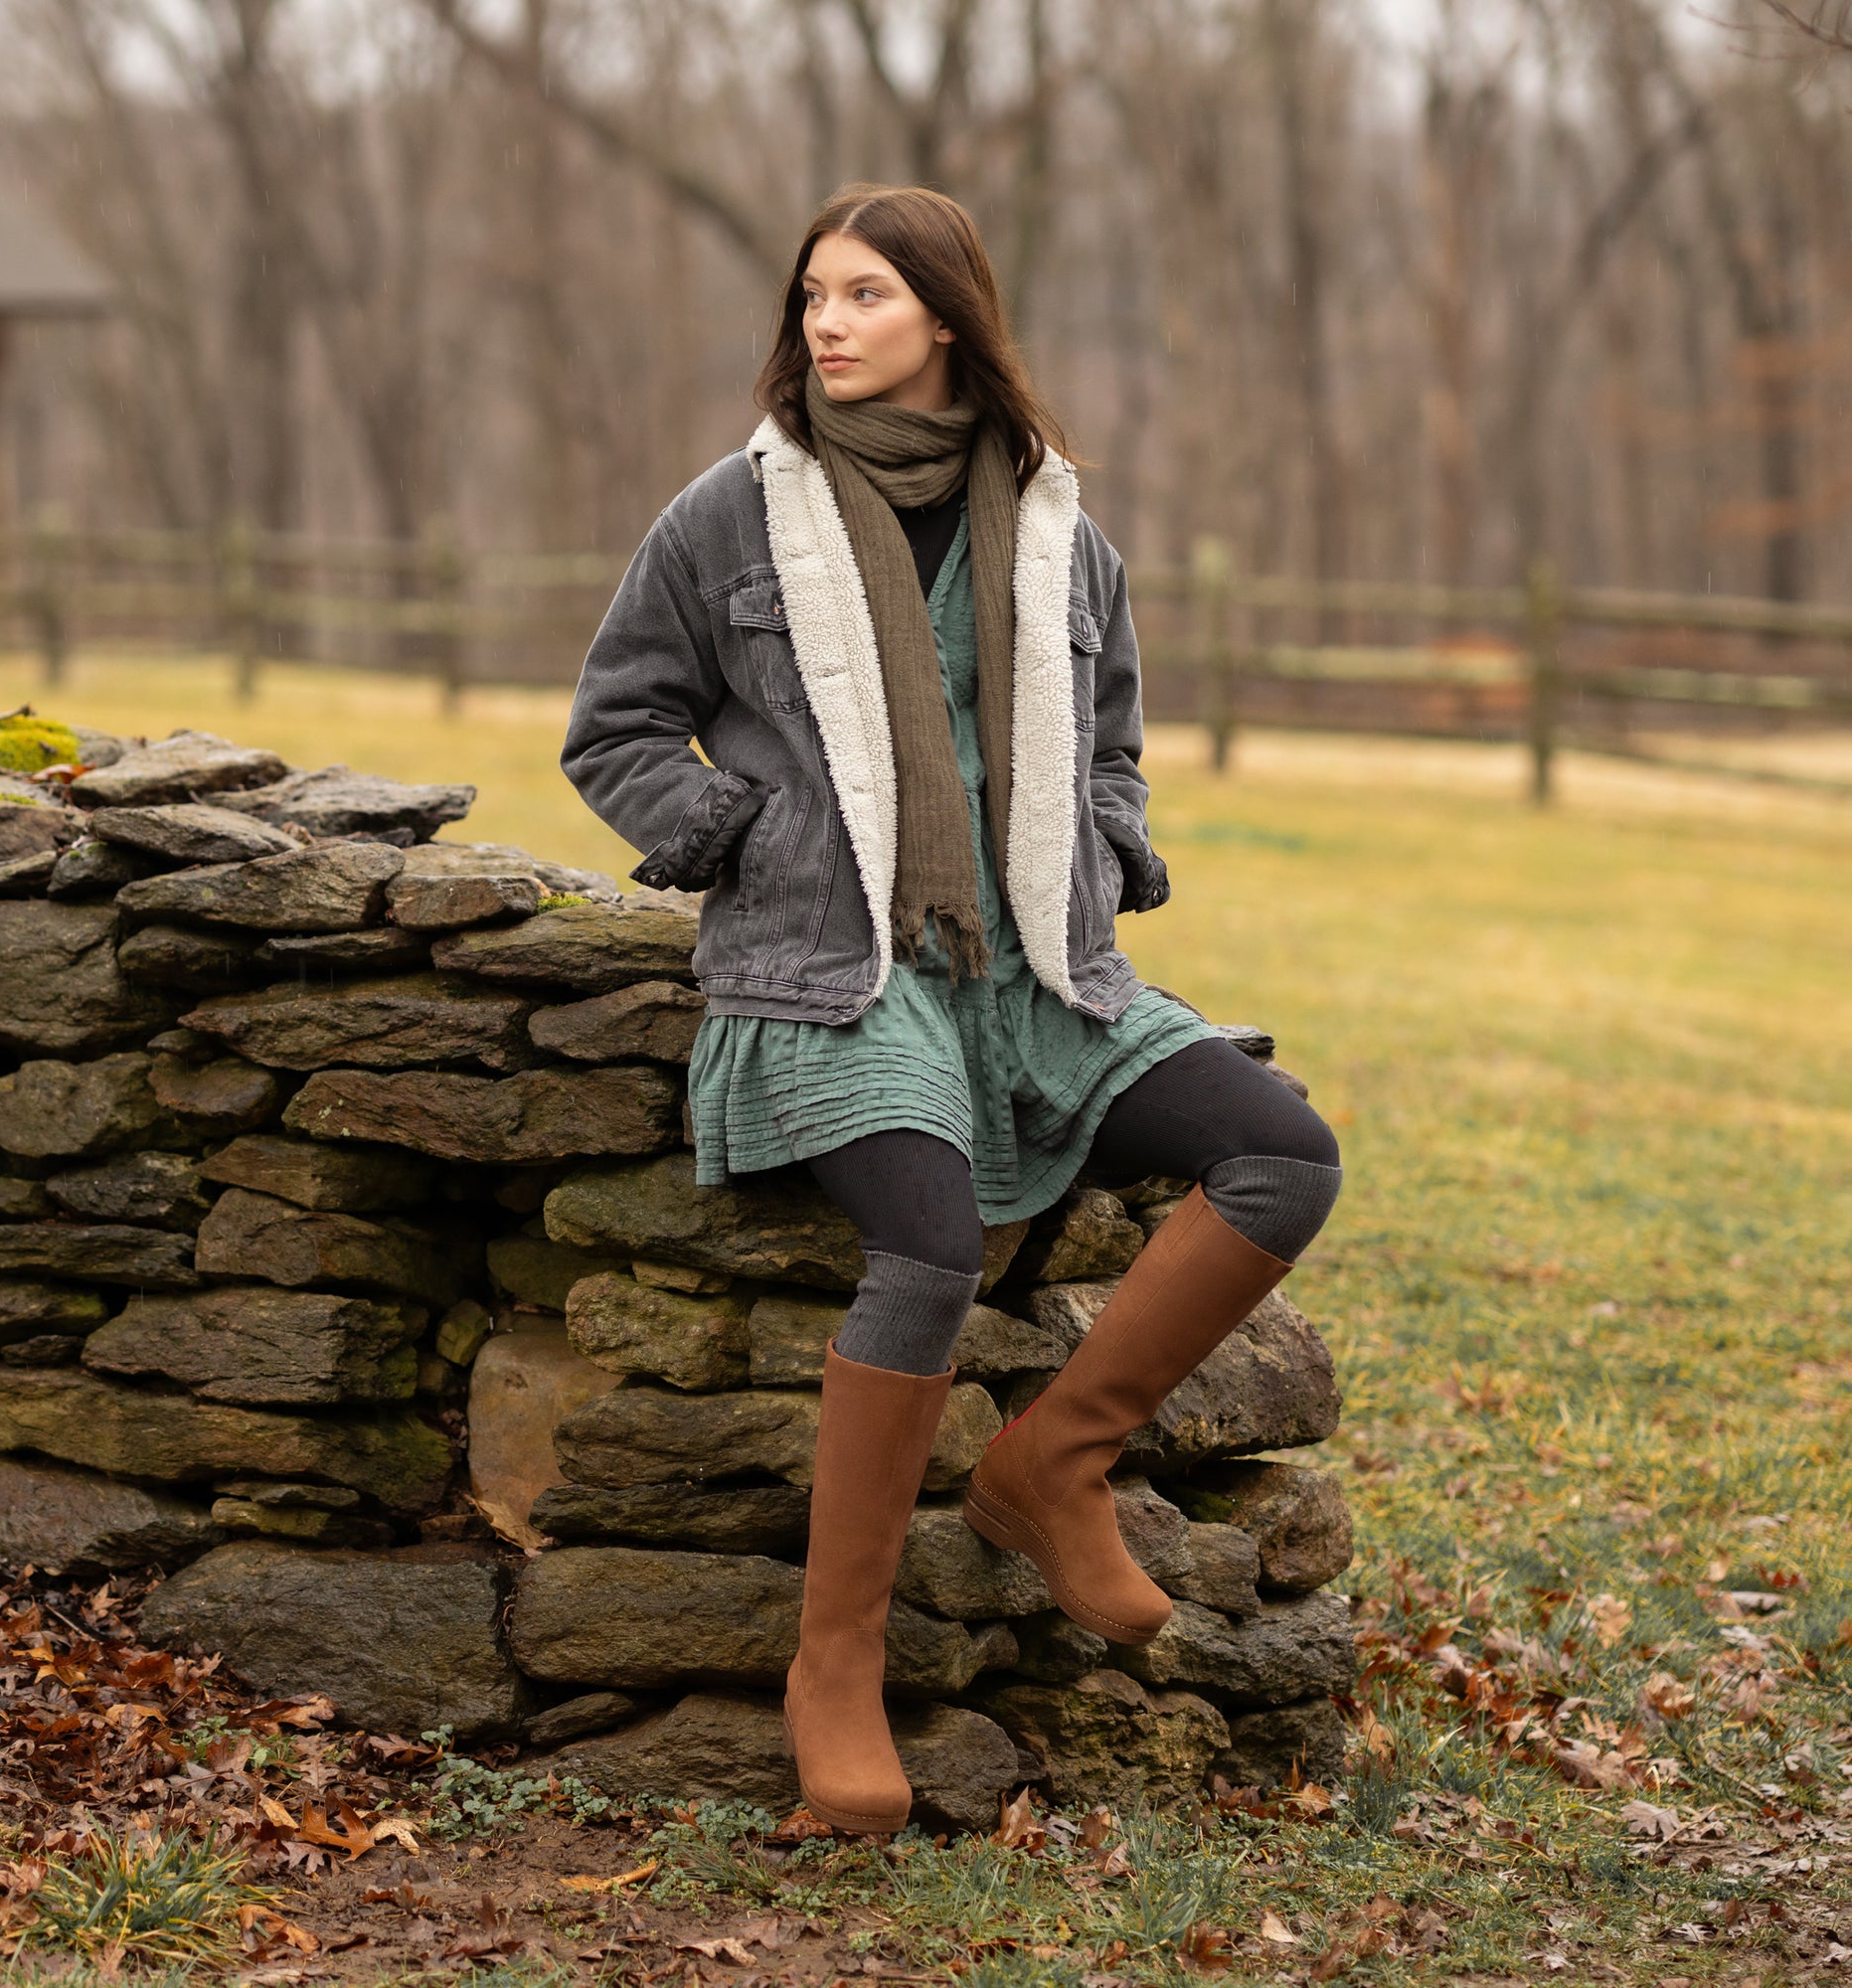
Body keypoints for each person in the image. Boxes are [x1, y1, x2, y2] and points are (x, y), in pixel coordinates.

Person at [563, 184, 1341, 1835]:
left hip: (1037, 969)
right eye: (814, 297)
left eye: (863, 295)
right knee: (924, 1243)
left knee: (1282, 1154)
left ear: (946, 317)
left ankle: (1049, 1465)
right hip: (832, 975)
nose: (827, 324)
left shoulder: (1059, 528)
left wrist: (1113, 844)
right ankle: (831, 1663)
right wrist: (732, 839)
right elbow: (616, 728)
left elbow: (1112, 740)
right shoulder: (727, 519)